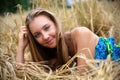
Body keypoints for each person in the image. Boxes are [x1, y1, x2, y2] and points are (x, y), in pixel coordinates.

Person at [16, 8, 120, 71]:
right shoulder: (46, 55)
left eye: (47, 28)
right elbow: (20, 72)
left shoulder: (80, 34)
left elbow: (83, 76)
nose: (45, 36)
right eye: (37, 35)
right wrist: (21, 47)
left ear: (55, 24)